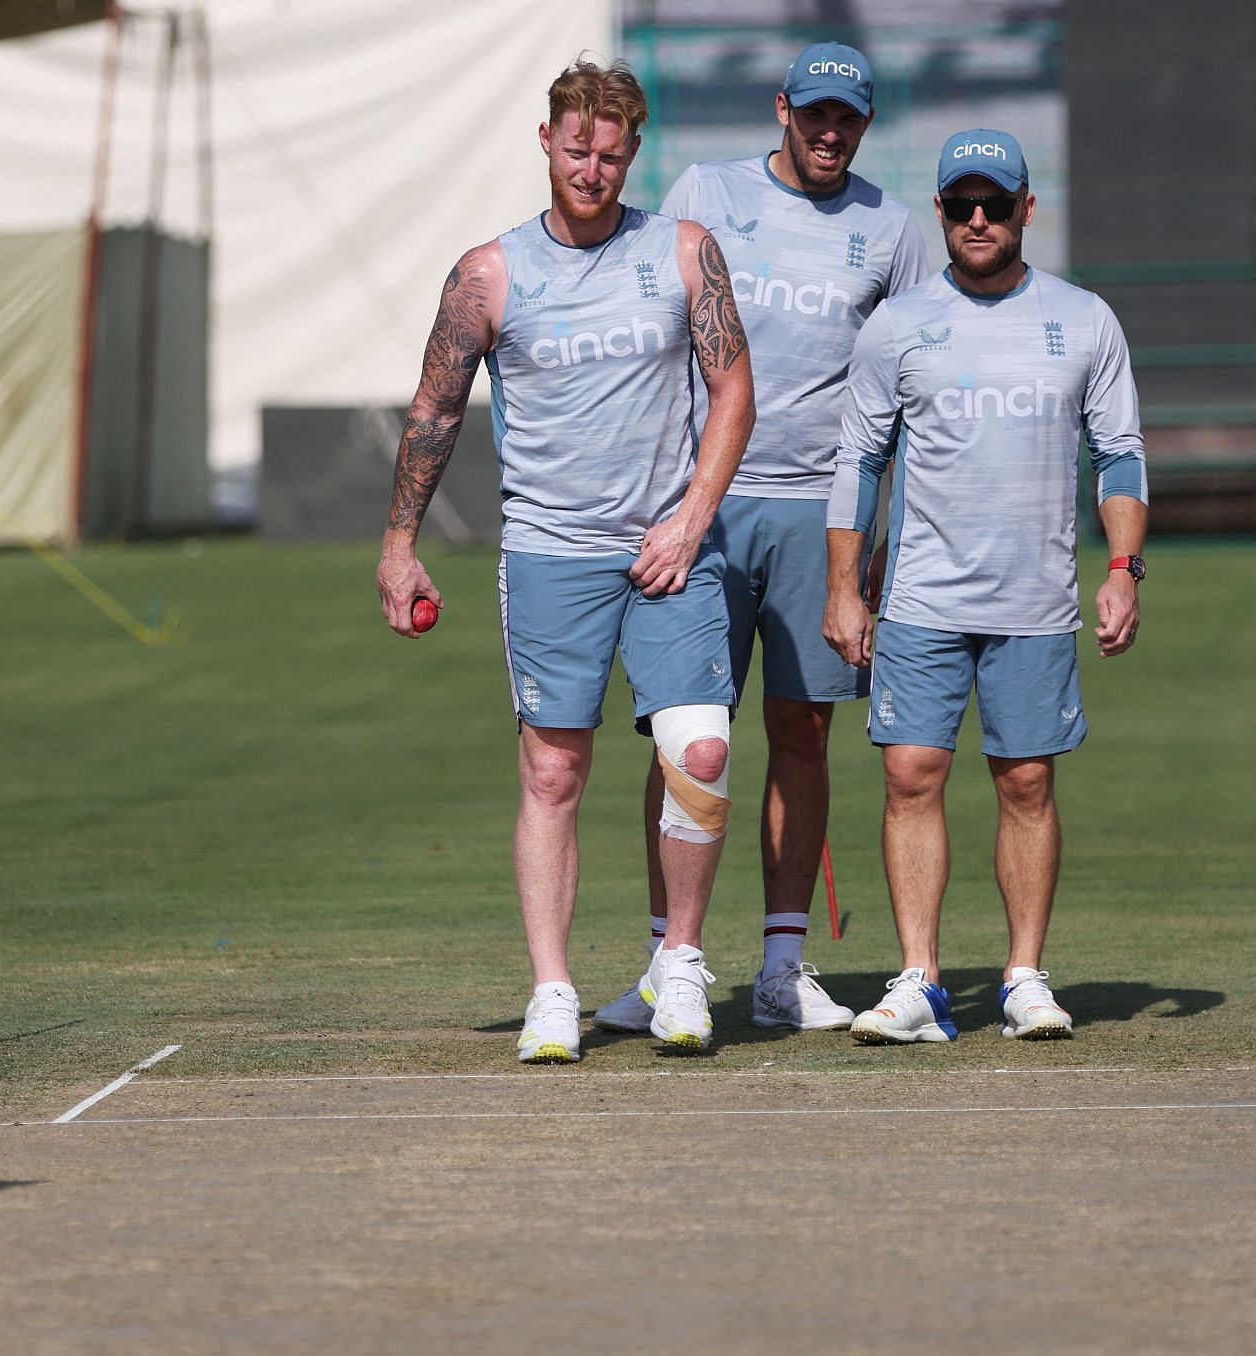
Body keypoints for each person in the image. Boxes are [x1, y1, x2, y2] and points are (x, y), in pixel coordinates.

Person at [375, 58, 755, 1063]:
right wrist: (400, 542)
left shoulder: (683, 251)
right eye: (577, 146)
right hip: (550, 551)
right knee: (554, 772)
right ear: (546, 141)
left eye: (612, 151)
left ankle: (678, 961)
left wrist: (691, 518)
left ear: (635, 152)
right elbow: (434, 411)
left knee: (701, 751)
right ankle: (552, 990)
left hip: (670, 548)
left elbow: (733, 393)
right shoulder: (488, 274)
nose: (593, 166)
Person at [591, 43, 929, 1036]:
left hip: (821, 516)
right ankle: (667, 964)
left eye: (849, 119)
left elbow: (909, 397)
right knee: (683, 736)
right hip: (699, 504)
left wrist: (873, 544)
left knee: (802, 734)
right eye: (815, 113)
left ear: (865, 125)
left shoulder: (893, 229)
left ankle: (783, 969)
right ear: (783, 109)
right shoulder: (707, 190)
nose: (830, 132)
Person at [822, 128, 1147, 1043]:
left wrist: (1124, 570)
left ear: (1025, 211)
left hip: (1036, 602)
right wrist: (845, 587)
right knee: (909, 774)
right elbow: (859, 460)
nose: (977, 219)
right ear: (939, 212)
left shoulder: (1085, 320)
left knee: (1028, 783)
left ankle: (1023, 978)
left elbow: (1120, 459)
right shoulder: (897, 325)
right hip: (922, 598)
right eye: (961, 204)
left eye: (995, 205)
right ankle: (921, 981)